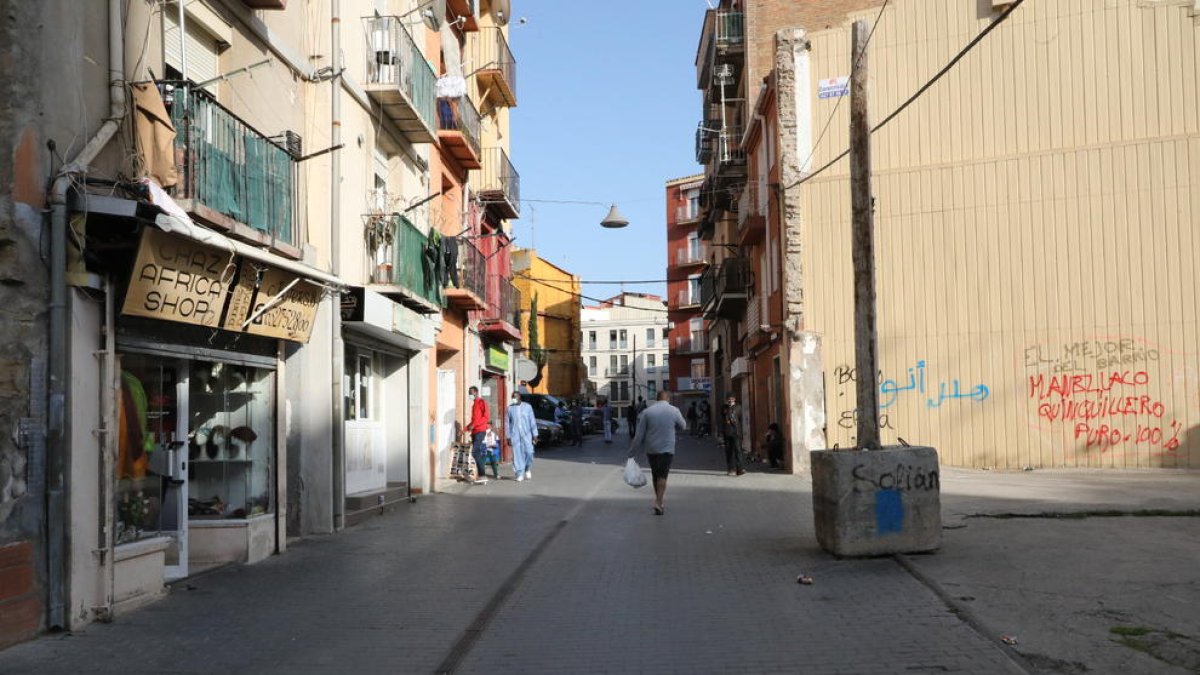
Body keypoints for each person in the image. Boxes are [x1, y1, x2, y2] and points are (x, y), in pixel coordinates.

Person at [627, 390, 687, 516]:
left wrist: (632, 451)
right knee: (663, 475)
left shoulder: (647, 412)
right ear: (668, 399)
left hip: (651, 449)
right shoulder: (674, 410)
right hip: (667, 449)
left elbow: (639, 435)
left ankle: (659, 502)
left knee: (655, 475)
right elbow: (684, 426)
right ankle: (658, 502)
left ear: (657, 399)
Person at [506, 391, 538, 481]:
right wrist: (508, 436)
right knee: (517, 454)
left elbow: (532, 421)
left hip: (526, 434)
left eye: (515, 397)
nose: (513, 398)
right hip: (514, 435)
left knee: (529, 452)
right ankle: (519, 473)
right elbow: (507, 423)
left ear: (519, 397)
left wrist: (535, 435)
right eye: (512, 397)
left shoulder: (527, 407)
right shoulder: (509, 409)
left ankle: (527, 468)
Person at [468, 386, 489, 482]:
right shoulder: (474, 405)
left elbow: (486, 417)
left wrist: (475, 425)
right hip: (474, 432)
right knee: (477, 452)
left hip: (481, 431)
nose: (470, 395)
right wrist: (464, 430)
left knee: (475, 452)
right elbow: (473, 421)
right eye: (469, 393)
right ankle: (480, 475)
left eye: (471, 392)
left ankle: (483, 475)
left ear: (476, 392)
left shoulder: (482, 402)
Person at [721, 395, 744, 476]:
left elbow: (740, 420)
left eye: (732, 399)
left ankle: (740, 469)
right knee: (729, 451)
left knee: (738, 451)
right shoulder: (724, 408)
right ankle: (731, 469)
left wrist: (740, 432)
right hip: (727, 433)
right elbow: (723, 416)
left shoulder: (738, 407)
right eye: (728, 399)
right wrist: (728, 408)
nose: (730, 400)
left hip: (736, 432)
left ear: (735, 399)